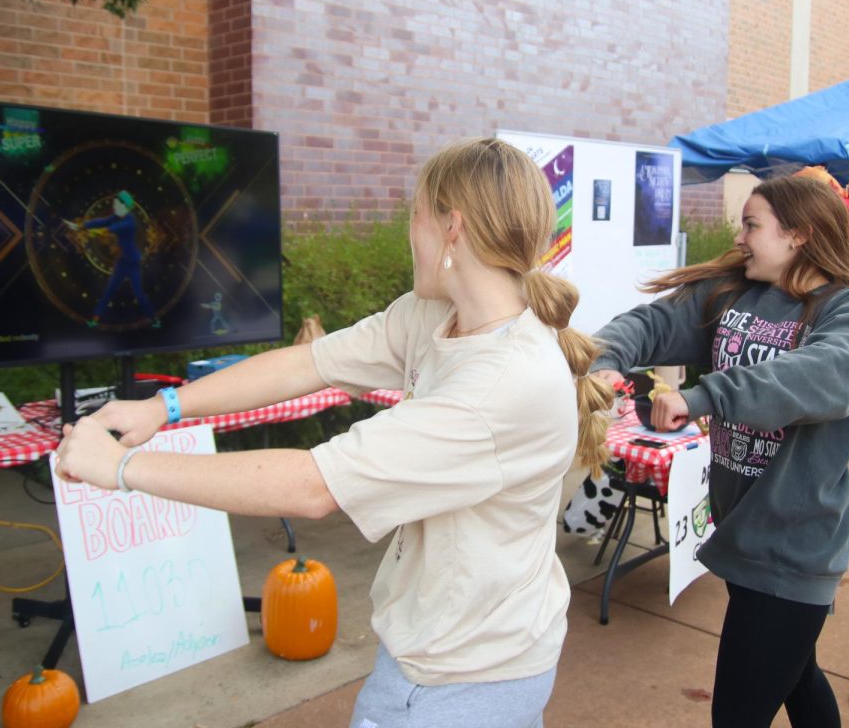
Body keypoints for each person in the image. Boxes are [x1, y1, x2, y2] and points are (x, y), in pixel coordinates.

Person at [54, 137, 613, 728]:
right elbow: (309, 363)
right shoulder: (437, 315)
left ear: (453, 228)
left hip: (462, 678)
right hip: (446, 648)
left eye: (414, 215)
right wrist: (163, 408)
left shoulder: (501, 385)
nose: (408, 232)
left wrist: (119, 469)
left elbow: (312, 487)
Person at [590, 176, 849, 728]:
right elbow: (653, 322)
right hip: (741, 530)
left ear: (798, 233)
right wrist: (607, 357)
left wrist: (705, 397)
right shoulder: (735, 295)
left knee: (737, 714)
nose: (740, 235)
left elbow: (813, 377)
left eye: (752, 224)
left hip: (792, 545)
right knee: (798, 678)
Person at [64, 189, 159, 327]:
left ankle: (154, 319)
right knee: (109, 290)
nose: (114, 207)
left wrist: (81, 229)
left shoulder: (129, 222)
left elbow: (105, 230)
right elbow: (101, 222)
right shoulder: (118, 216)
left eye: (116, 205)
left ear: (124, 206)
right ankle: (95, 319)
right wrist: (82, 225)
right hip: (122, 261)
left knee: (139, 294)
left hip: (133, 263)